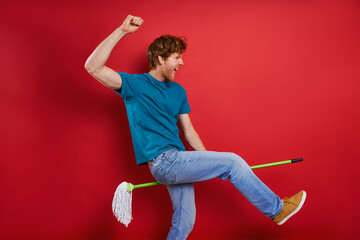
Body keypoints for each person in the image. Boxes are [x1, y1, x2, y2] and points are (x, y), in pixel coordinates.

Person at [85, 14, 307, 240]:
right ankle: (277, 210)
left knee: (185, 221)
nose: (181, 63)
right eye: (176, 57)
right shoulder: (135, 85)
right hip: (164, 162)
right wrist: (122, 31)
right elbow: (92, 66)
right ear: (161, 59)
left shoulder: (178, 91)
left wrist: (207, 162)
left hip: (179, 160)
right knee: (232, 161)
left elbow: (189, 132)